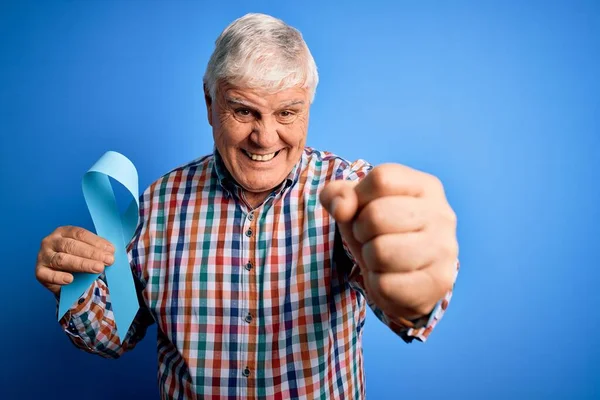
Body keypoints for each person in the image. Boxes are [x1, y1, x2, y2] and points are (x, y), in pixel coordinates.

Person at [35, 13, 459, 399]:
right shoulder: (156, 205)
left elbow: (409, 301)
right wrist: (74, 284)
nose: (266, 137)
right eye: (244, 111)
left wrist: (417, 289)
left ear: (308, 105)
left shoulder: (347, 191)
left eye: (288, 113)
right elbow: (113, 335)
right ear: (209, 103)